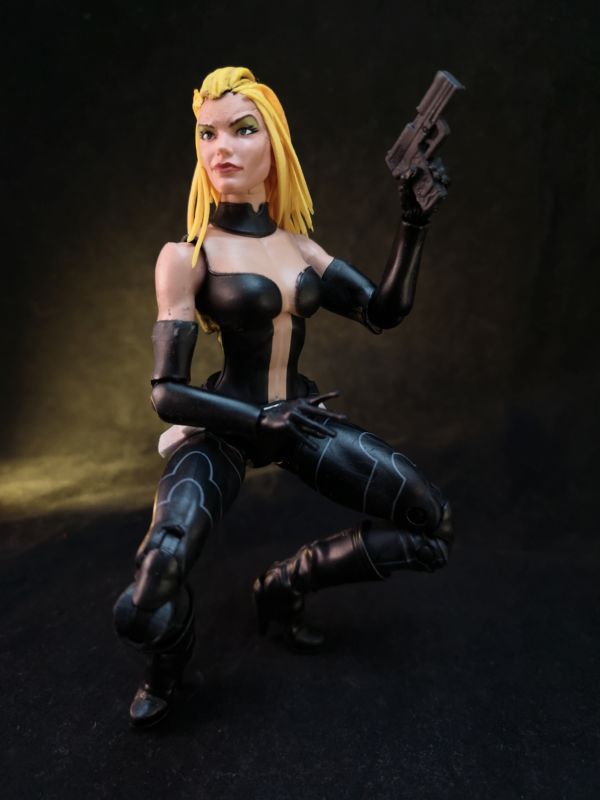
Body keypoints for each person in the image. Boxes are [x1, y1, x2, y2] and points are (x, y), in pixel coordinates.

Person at [113, 66, 454, 728]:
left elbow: (382, 311)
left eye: (242, 130)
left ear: (276, 143)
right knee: (158, 567)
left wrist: (413, 224)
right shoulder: (186, 256)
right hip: (225, 424)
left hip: (297, 418)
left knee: (431, 526)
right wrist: (255, 421)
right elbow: (167, 393)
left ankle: (284, 585)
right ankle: (165, 667)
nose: (222, 148)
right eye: (207, 133)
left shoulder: (298, 246)